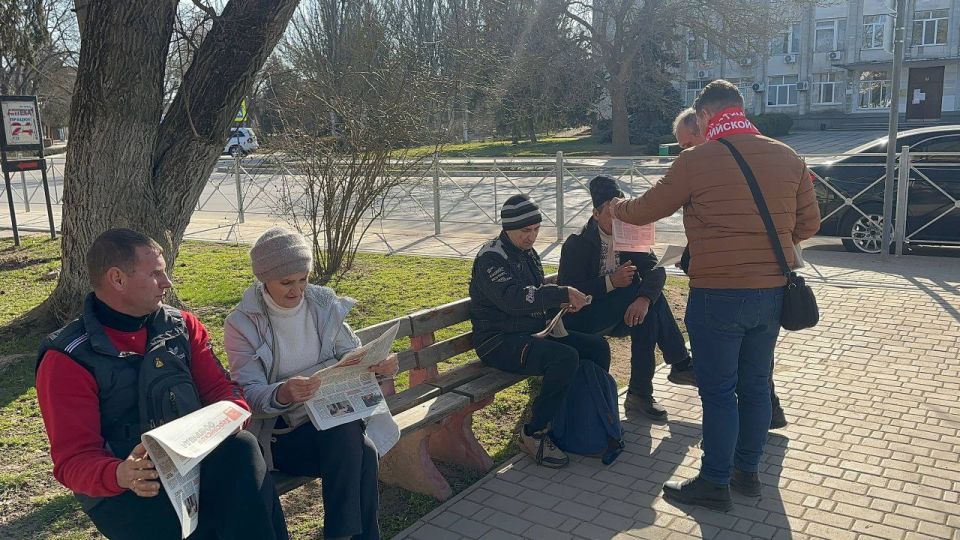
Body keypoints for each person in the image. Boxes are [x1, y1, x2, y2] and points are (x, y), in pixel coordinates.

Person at [612, 80, 820, 511]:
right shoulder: (789, 156)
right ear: (741, 109)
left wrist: (617, 208)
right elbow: (809, 226)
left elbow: (647, 208)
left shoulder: (697, 159)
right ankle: (749, 472)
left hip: (718, 295)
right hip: (771, 294)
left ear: (704, 116)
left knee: (720, 391)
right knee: (757, 384)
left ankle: (714, 481)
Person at [35, 228, 288, 540]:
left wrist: (233, 413)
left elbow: (224, 392)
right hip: (129, 486)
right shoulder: (67, 358)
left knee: (242, 450)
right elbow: (72, 460)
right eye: (156, 274)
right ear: (117, 279)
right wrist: (119, 474)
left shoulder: (182, 326)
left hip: (194, 461)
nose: (167, 283)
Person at [224, 227, 397, 540]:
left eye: (302, 278)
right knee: (358, 446)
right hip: (283, 435)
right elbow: (247, 393)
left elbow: (352, 355)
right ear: (264, 278)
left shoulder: (321, 303)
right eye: (286, 282)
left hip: (332, 427)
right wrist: (283, 391)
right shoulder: (243, 323)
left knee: (359, 446)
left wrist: (378, 367)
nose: (297, 290)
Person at [470, 194, 610, 468]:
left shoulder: (527, 253)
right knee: (564, 357)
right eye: (525, 231)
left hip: (532, 332)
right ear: (508, 227)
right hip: (497, 342)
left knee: (597, 347)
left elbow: (534, 296)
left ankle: (582, 416)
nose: (532, 237)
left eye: (536, 230)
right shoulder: (490, 257)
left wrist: (561, 305)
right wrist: (560, 293)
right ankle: (533, 433)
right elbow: (512, 299)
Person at [673, 107, 789, 431]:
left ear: (703, 129)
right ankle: (764, 424)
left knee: (725, 384)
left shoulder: (712, 164)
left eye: (686, 143)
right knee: (755, 371)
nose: (685, 151)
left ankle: (723, 464)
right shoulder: (766, 153)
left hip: (728, 286)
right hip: (767, 282)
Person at [558, 175, 696, 423]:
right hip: (583, 317)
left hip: (619, 313)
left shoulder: (630, 233)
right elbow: (568, 290)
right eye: (612, 213)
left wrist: (644, 299)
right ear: (595, 213)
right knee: (639, 293)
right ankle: (680, 362)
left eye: (622, 211)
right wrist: (610, 282)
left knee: (648, 311)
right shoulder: (577, 243)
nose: (619, 218)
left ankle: (639, 395)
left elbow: (656, 269)